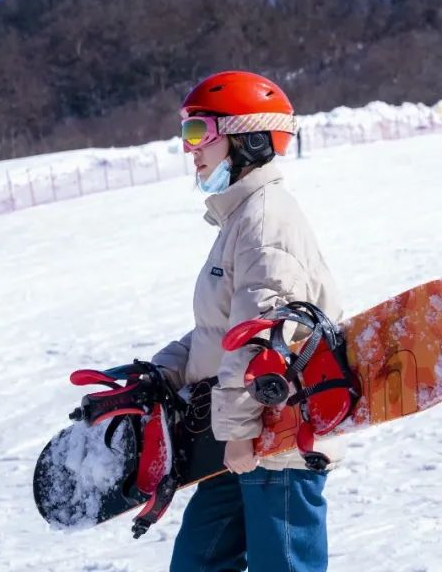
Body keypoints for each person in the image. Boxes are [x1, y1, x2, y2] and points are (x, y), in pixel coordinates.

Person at [153, 70, 342, 572]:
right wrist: (161, 370)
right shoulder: (241, 218)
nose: (190, 149)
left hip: (275, 435)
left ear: (245, 139)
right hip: (234, 435)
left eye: (199, 133)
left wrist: (240, 432)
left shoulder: (266, 218)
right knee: (198, 562)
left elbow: (261, 335)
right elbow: (220, 330)